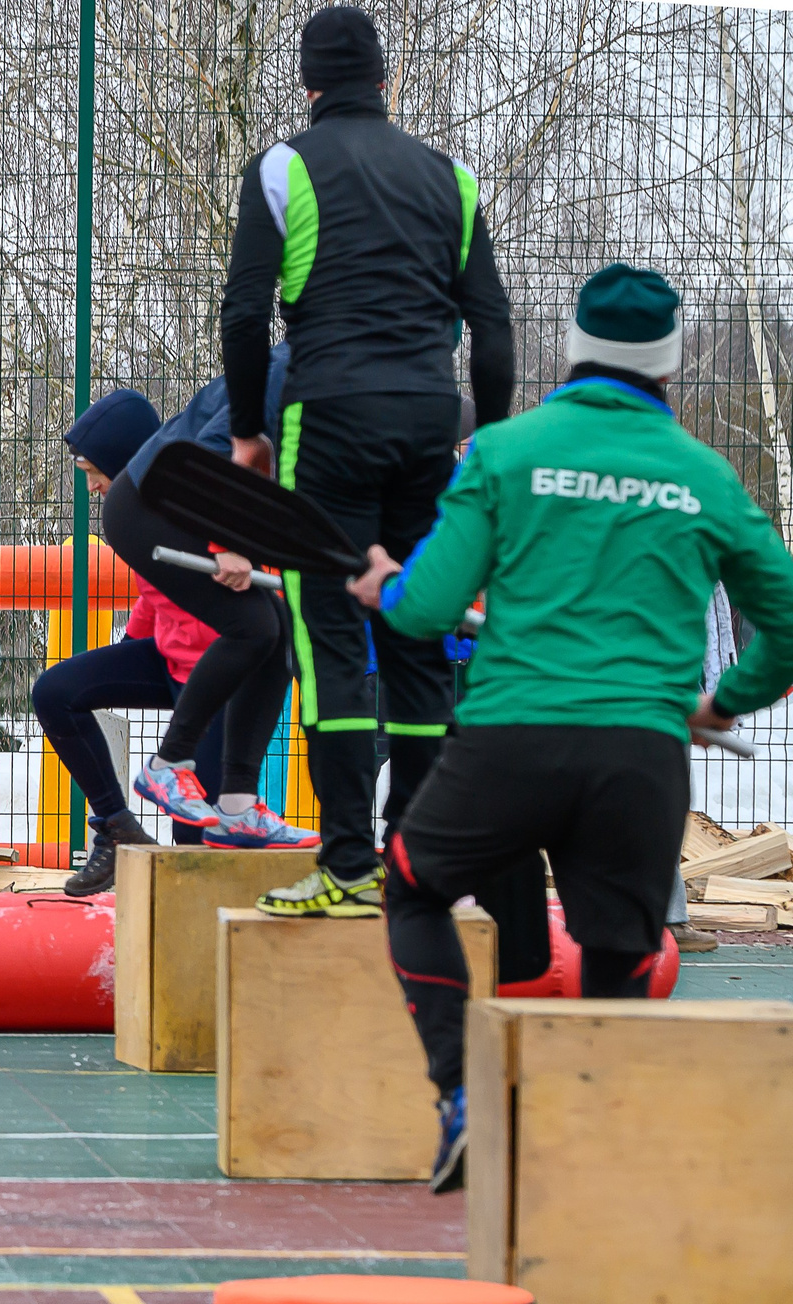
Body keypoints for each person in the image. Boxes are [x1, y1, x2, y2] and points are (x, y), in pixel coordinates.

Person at [349, 265, 793, 1189]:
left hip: (511, 738)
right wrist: (724, 703)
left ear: (577, 347)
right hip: (640, 754)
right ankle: (591, 1151)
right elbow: (786, 620)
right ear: (671, 362)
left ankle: (462, 1098)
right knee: (622, 948)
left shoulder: (507, 452)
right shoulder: (705, 475)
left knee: (416, 890)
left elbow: (426, 611)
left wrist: (383, 582)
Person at [220, 5, 515, 919]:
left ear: (307, 83)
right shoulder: (453, 179)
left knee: (330, 637)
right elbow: (493, 327)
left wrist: (245, 433)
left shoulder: (282, 167)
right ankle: (422, 870)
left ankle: (349, 867)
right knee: (419, 631)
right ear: (384, 79)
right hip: (431, 421)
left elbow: (243, 315)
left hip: (332, 417)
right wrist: (484, 437)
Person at [49, 363, 315, 895]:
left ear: (122, 461)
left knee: (195, 834)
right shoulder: (146, 527)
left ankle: (204, 932)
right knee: (56, 692)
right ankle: (115, 827)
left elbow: (271, 591)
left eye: (91, 473)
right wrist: (127, 649)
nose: (93, 487)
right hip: (170, 663)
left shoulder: (201, 504)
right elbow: (154, 599)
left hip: (218, 682)